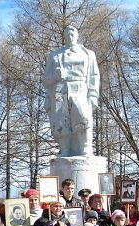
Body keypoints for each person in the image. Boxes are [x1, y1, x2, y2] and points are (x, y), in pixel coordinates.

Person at [42, 25, 99, 157]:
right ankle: (65, 149)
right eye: (67, 35)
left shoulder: (88, 54)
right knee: (62, 122)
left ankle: (85, 147)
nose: (70, 37)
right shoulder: (54, 55)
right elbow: (45, 81)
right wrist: (54, 77)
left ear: (77, 35)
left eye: (72, 34)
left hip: (80, 88)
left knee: (82, 116)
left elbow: (94, 76)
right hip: (60, 90)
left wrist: (93, 95)